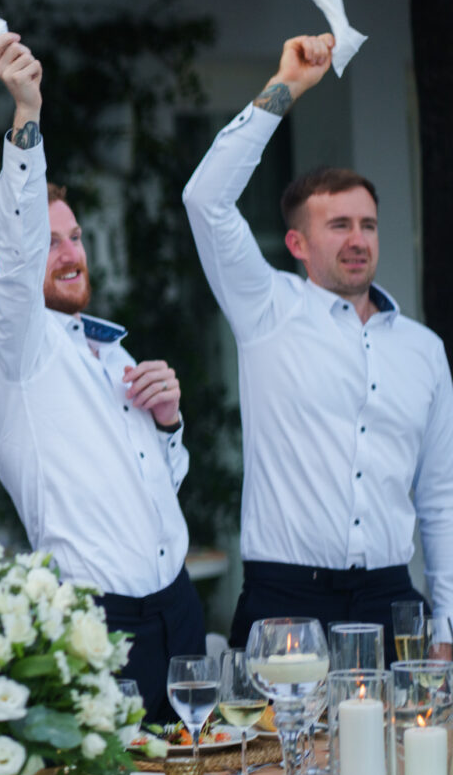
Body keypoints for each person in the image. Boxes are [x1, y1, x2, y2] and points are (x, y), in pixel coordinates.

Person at [181, 33, 453, 662]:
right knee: (279, 758)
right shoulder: (266, 308)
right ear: (298, 245)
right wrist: (288, 87)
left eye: (368, 225)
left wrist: (445, 624)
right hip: (285, 596)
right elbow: (205, 199)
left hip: (393, 600)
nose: (358, 239)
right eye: (338, 225)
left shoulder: (424, 350)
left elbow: (437, 497)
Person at [0, 33, 206, 721]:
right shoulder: (14, 342)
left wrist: (170, 423)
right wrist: (26, 115)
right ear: (2, 265)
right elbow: (19, 254)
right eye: (50, 241)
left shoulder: (115, 354)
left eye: (74, 237)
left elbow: (163, 483)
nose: (69, 252)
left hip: (179, 605)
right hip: (100, 621)